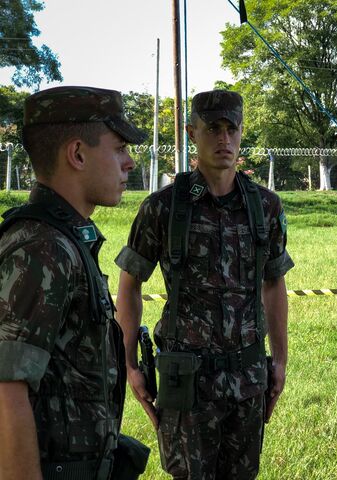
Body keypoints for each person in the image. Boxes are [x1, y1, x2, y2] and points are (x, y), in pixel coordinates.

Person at [115, 89, 294, 479]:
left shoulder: (265, 207)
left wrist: (279, 359)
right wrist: (129, 364)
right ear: (192, 132)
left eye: (232, 128)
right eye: (213, 128)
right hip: (186, 385)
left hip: (248, 378)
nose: (224, 139)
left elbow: (273, 284)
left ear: (242, 132)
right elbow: (128, 285)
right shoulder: (162, 208)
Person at [0, 86, 145, 479]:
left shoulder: (65, 240)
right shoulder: (41, 248)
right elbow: (6, 391)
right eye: (118, 148)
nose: (129, 162)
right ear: (78, 154)